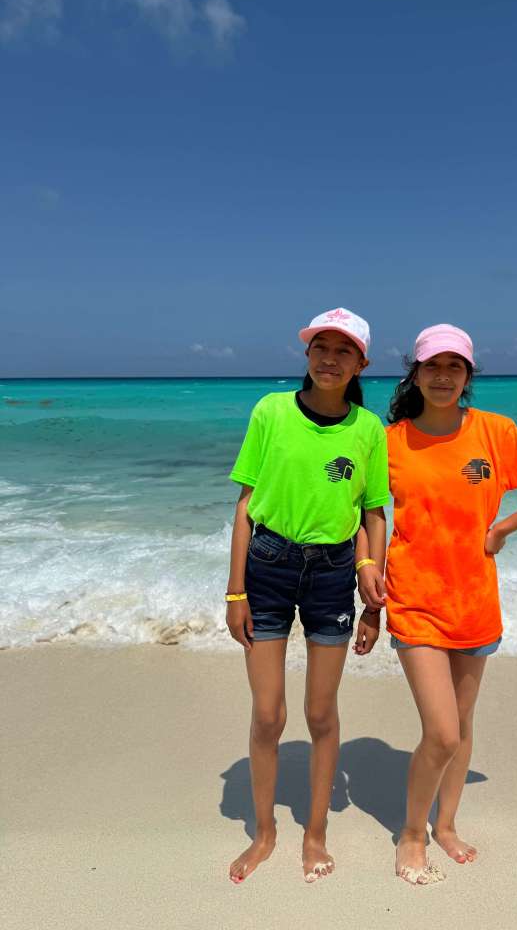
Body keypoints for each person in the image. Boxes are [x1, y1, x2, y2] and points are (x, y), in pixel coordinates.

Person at [358, 323, 517, 885]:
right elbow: (365, 515)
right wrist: (368, 577)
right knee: (443, 732)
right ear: (415, 372)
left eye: (454, 367)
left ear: (467, 376)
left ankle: (447, 823)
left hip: (476, 600)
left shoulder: (494, 433)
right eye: (432, 365)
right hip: (413, 600)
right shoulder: (389, 441)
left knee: (462, 723)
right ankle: (411, 833)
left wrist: (504, 526)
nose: (442, 376)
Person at [225, 308, 388, 884]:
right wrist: (234, 590)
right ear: (307, 354)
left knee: (321, 712)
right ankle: (265, 833)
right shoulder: (270, 411)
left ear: (361, 363)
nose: (330, 358)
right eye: (321, 346)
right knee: (268, 714)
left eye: (344, 351)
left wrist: (373, 593)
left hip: (333, 573)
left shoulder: (368, 428)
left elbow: (372, 512)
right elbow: (246, 504)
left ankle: (315, 833)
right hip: (267, 566)